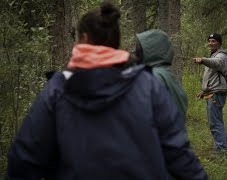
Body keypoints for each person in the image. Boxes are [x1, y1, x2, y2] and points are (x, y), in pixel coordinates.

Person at [6, 2, 208, 179]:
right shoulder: (148, 85)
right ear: (116, 42)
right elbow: (179, 153)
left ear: (83, 39)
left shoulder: (58, 90)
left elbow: (25, 159)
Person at [135, 29, 188, 117]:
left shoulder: (154, 77)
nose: (135, 51)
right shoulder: (165, 74)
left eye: (139, 47)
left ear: (150, 50)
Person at [193, 33, 227, 153]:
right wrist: (203, 92)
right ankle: (222, 147)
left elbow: (217, 63)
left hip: (216, 93)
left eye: (213, 41)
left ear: (219, 42)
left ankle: (221, 150)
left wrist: (203, 60)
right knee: (216, 122)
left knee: (215, 123)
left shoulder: (221, 56)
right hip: (212, 92)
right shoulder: (214, 55)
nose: (210, 43)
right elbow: (211, 78)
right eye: (209, 41)